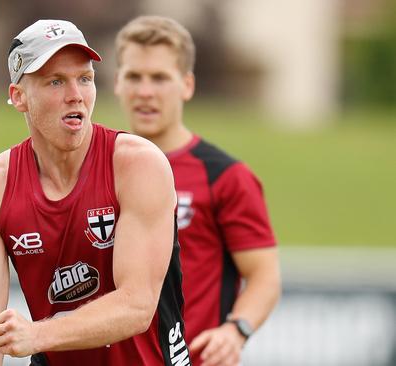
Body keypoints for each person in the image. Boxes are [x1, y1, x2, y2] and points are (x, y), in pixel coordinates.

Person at [0, 19, 192, 366]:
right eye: (55, 82)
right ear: (18, 97)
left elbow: (136, 305)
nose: (75, 95)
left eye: (85, 78)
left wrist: (37, 334)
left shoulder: (138, 166)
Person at [114, 15, 281, 366]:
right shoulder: (98, 168)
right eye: (134, 77)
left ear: (187, 85)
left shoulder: (224, 175)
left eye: (160, 78)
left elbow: (264, 275)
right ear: (117, 83)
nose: (145, 91)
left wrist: (235, 330)